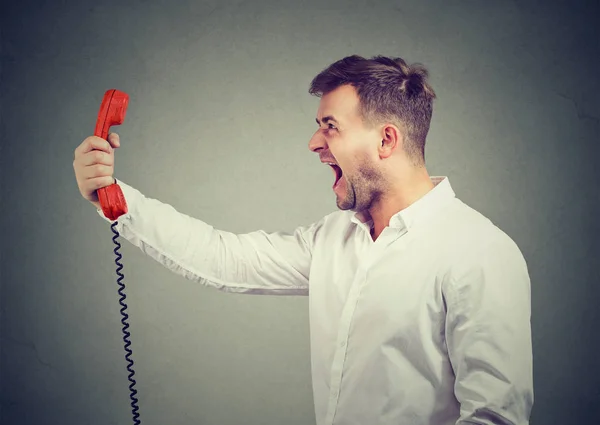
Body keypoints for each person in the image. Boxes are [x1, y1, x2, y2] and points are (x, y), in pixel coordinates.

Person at [73, 54, 533, 424]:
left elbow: (495, 417)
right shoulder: (332, 239)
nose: (314, 142)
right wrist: (113, 197)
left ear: (387, 139)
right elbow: (223, 258)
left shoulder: (480, 252)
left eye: (330, 126)